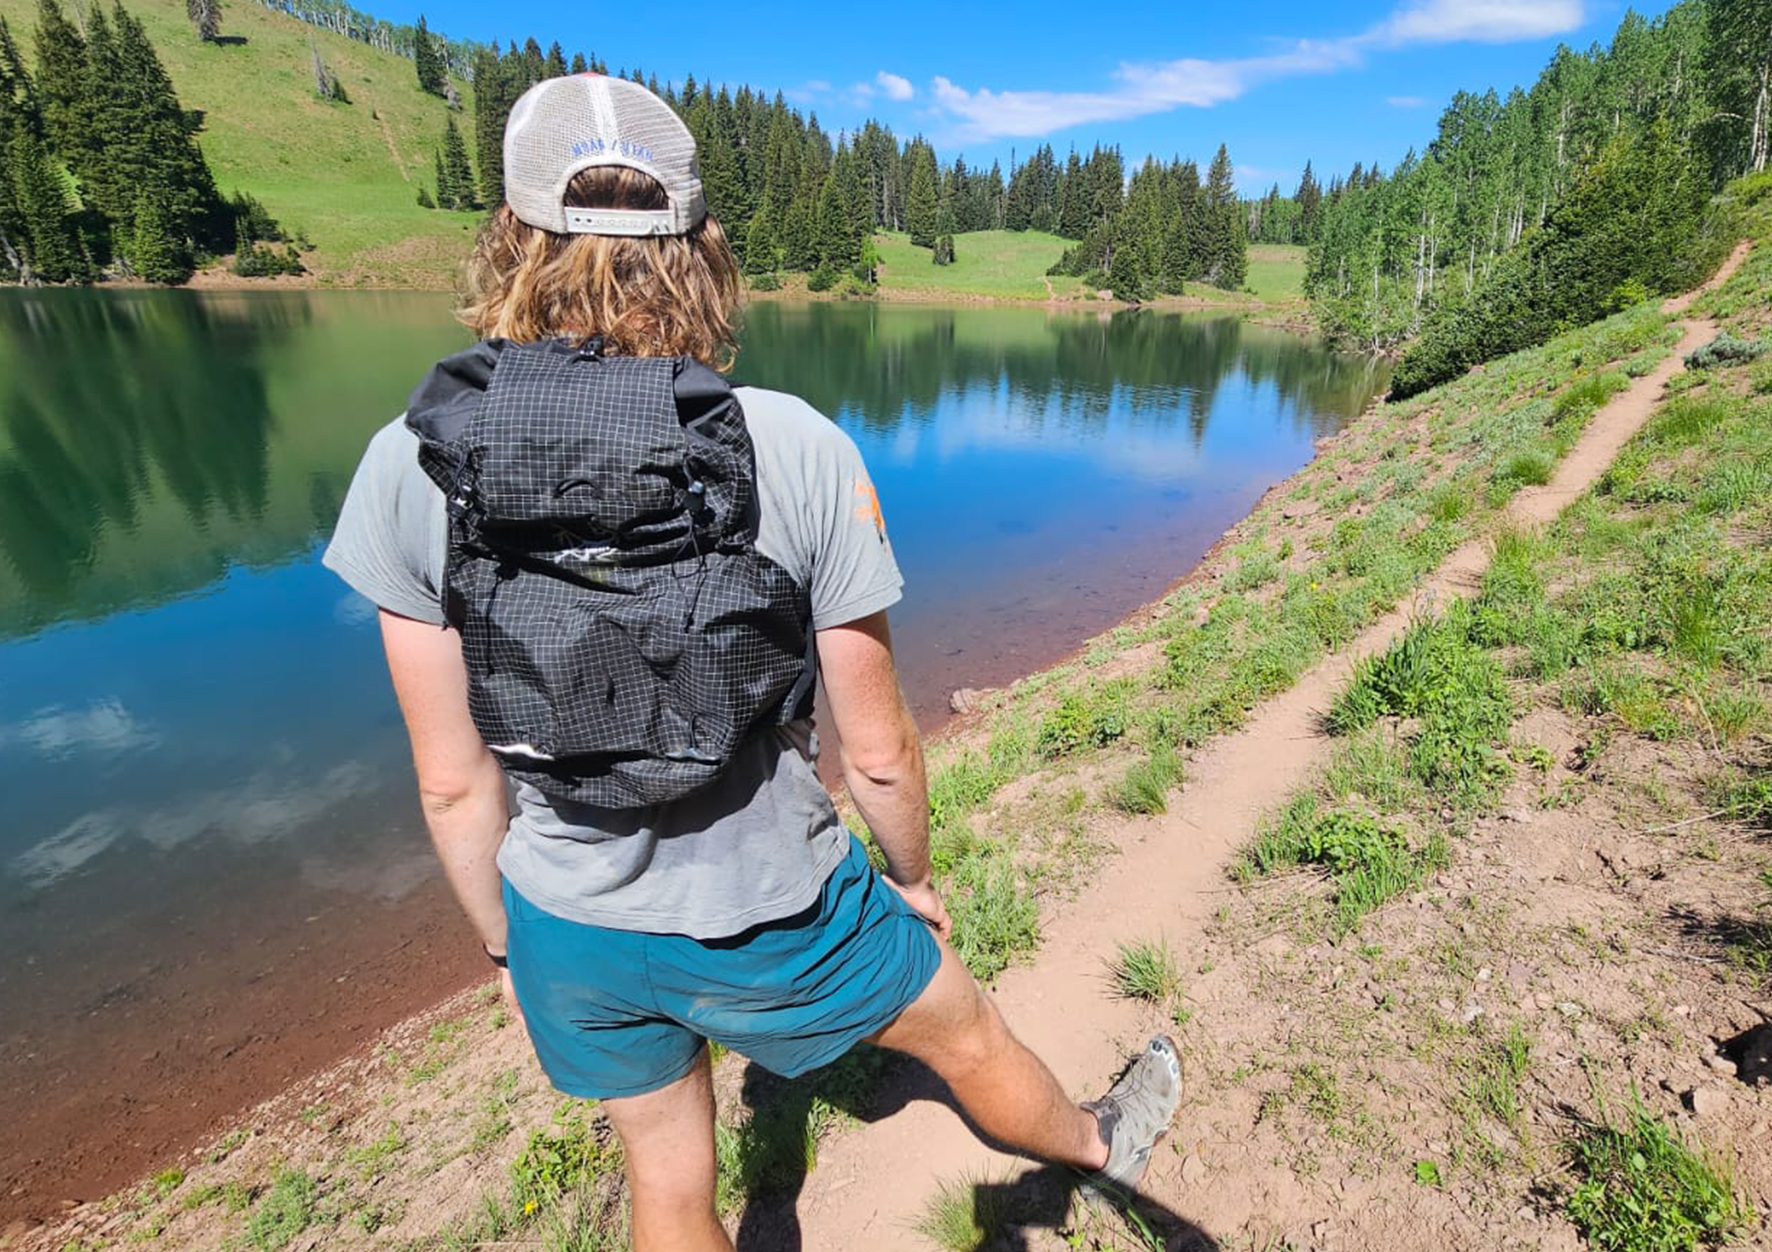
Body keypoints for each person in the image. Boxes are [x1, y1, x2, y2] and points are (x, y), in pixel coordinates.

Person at [323, 73, 1181, 1251]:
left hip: (567, 921)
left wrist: (508, 940)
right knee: (965, 1031)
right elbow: (871, 749)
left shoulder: (412, 459)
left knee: (668, 1180)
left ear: (509, 238)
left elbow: (453, 781)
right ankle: (1097, 1144)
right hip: (772, 900)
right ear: (699, 250)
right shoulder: (789, 444)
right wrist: (912, 882)